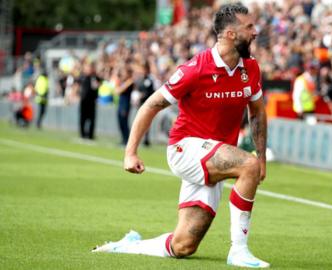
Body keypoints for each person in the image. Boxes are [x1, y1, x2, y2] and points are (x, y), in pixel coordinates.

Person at [93, 3, 270, 268]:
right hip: (185, 148)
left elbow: (257, 113)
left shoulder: (250, 69)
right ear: (231, 34)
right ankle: (239, 251)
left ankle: (128, 245)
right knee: (247, 165)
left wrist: (263, 159)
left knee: (183, 245)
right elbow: (150, 105)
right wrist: (130, 152)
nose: (256, 32)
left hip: (215, 153)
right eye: (249, 27)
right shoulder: (195, 68)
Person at [78, 61, 100, 140]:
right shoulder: (82, 77)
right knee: (83, 118)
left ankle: (90, 135)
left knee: (92, 119)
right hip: (84, 101)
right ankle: (82, 134)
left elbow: (99, 83)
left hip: (92, 101)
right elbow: (77, 84)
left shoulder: (95, 77)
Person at [135, 63, 155, 146]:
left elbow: (150, 92)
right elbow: (137, 90)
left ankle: (146, 139)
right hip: (140, 103)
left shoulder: (149, 80)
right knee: (139, 121)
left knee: (146, 122)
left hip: (147, 104)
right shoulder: (140, 80)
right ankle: (139, 138)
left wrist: (142, 95)